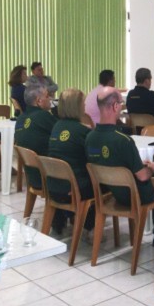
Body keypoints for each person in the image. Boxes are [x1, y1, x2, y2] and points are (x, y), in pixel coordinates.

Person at [85, 87, 154, 246]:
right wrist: (152, 168)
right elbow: (143, 176)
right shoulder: (123, 140)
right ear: (115, 106)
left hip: (115, 192)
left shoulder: (90, 138)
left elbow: (112, 162)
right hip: (138, 194)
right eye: (121, 103)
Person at [48, 88, 95, 233]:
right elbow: (94, 160)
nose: (85, 106)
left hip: (53, 187)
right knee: (102, 183)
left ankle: (62, 221)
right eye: (83, 103)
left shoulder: (56, 127)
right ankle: (90, 226)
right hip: (74, 190)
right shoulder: (83, 132)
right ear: (76, 106)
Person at [15, 82, 58, 227]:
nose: (50, 98)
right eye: (47, 96)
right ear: (39, 101)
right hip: (49, 178)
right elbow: (60, 131)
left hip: (33, 176)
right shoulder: (43, 116)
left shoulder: (20, 119)